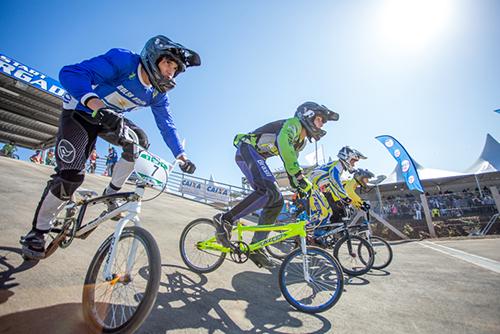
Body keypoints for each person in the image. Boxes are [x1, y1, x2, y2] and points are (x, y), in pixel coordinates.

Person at [21, 35, 200, 259]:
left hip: (108, 120)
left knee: (139, 141)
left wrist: (181, 156)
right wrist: (95, 104)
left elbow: (166, 125)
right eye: (167, 64)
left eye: (175, 69)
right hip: (80, 112)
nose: (170, 73)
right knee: (70, 177)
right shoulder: (124, 61)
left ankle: (111, 193)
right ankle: (38, 232)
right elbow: (70, 73)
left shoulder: (157, 94)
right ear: (152, 58)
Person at [213, 101, 339, 268]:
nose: (322, 124)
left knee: (277, 201)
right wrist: (299, 175)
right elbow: (284, 146)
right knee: (268, 190)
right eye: (320, 119)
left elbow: (290, 162)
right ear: (307, 115)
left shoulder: (301, 142)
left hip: (255, 157)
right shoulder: (293, 124)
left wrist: (299, 186)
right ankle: (225, 219)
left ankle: (258, 247)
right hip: (247, 150)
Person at [306, 146, 367, 225]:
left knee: (329, 212)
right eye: (353, 161)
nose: (354, 164)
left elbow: (332, 185)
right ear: (346, 158)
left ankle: (313, 233)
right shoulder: (338, 166)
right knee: (323, 214)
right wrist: (345, 197)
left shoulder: (337, 166)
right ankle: (312, 234)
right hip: (310, 187)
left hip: (312, 187)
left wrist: (340, 199)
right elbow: (335, 182)